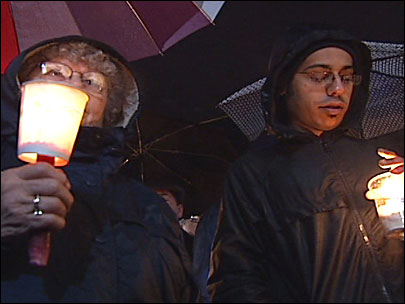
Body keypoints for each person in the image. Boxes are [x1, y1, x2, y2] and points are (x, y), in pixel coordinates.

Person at [208, 25, 404, 303]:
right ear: (284, 84)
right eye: (319, 76)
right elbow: (235, 279)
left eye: (347, 77)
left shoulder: (377, 157)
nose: (337, 89)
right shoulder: (257, 171)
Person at [1, 36, 197, 302]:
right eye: (56, 72)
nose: (74, 87)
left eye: (92, 82)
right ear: (21, 89)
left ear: (110, 110)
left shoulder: (149, 208)